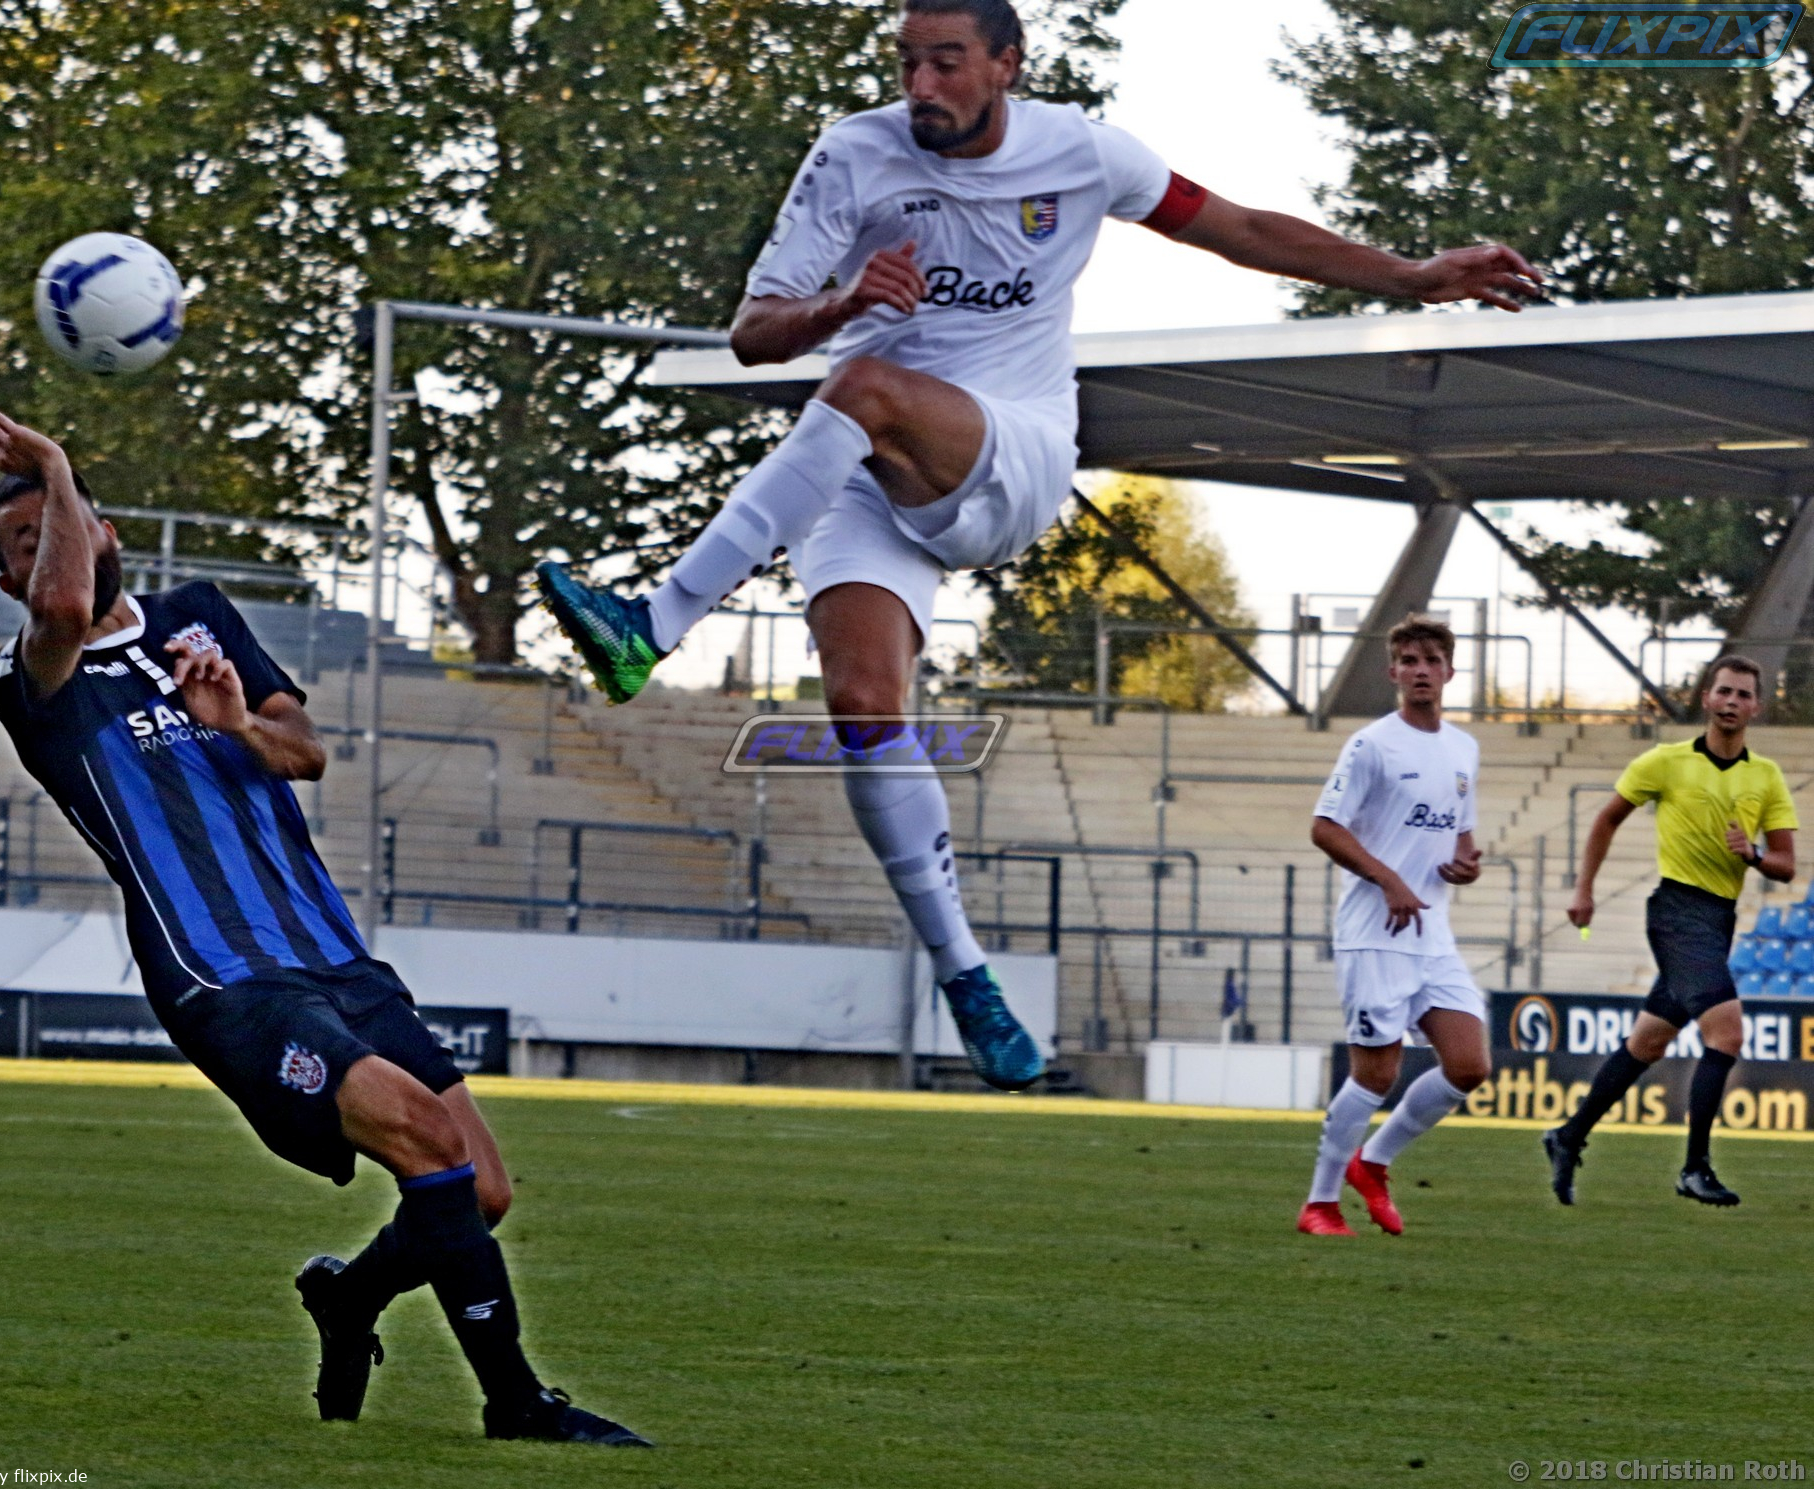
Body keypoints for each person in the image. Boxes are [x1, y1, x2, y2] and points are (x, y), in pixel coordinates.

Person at [537, 0, 1543, 1092]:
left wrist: (1409, 276)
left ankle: (653, 624)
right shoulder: (852, 154)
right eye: (907, 63)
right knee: (865, 710)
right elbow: (752, 332)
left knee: (864, 385)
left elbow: (1243, 228)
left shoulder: (1084, 153)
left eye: (947, 61)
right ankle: (968, 980)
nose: (921, 85)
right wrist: (840, 301)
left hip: (1009, 453)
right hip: (861, 466)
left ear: (1008, 64)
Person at [0, 405, 649, 1447]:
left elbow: (307, 753)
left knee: (480, 1191)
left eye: (63, 521)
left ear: (110, 532)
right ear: (8, 582)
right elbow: (64, 603)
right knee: (427, 1141)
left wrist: (238, 722)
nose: (50, 544)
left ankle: (349, 1296)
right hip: (226, 975)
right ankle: (517, 1403)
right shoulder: (32, 676)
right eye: (25, 543)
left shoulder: (197, 615)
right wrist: (54, 465)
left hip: (332, 954)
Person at [1549, 655, 1796, 1208]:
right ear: (1707, 698)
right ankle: (1694, 1168)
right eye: (1724, 691)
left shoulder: (1766, 776)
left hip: (1719, 919)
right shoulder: (1665, 761)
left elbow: (1786, 865)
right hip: (1677, 912)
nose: (1732, 702)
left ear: (1756, 707)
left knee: (1648, 1043)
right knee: (1727, 1035)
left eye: (1743, 695)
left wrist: (1753, 854)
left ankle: (1568, 1135)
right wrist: (1584, 890)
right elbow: (1606, 818)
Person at [1298, 616, 1492, 1237]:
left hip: (1432, 935)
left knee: (1469, 1065)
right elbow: (1324, 827)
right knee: (1376, 1074)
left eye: (1431, 660)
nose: (1420, 670)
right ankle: (1320, 1205)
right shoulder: (1372, 745)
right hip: (1374, 932)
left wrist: (1466, 865)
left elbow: (1461, 837)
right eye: (1409, 660)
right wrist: (1389, 879)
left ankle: (1373, 1163)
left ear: (1449, 672)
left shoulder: (1463, 749)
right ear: (1393, 672)